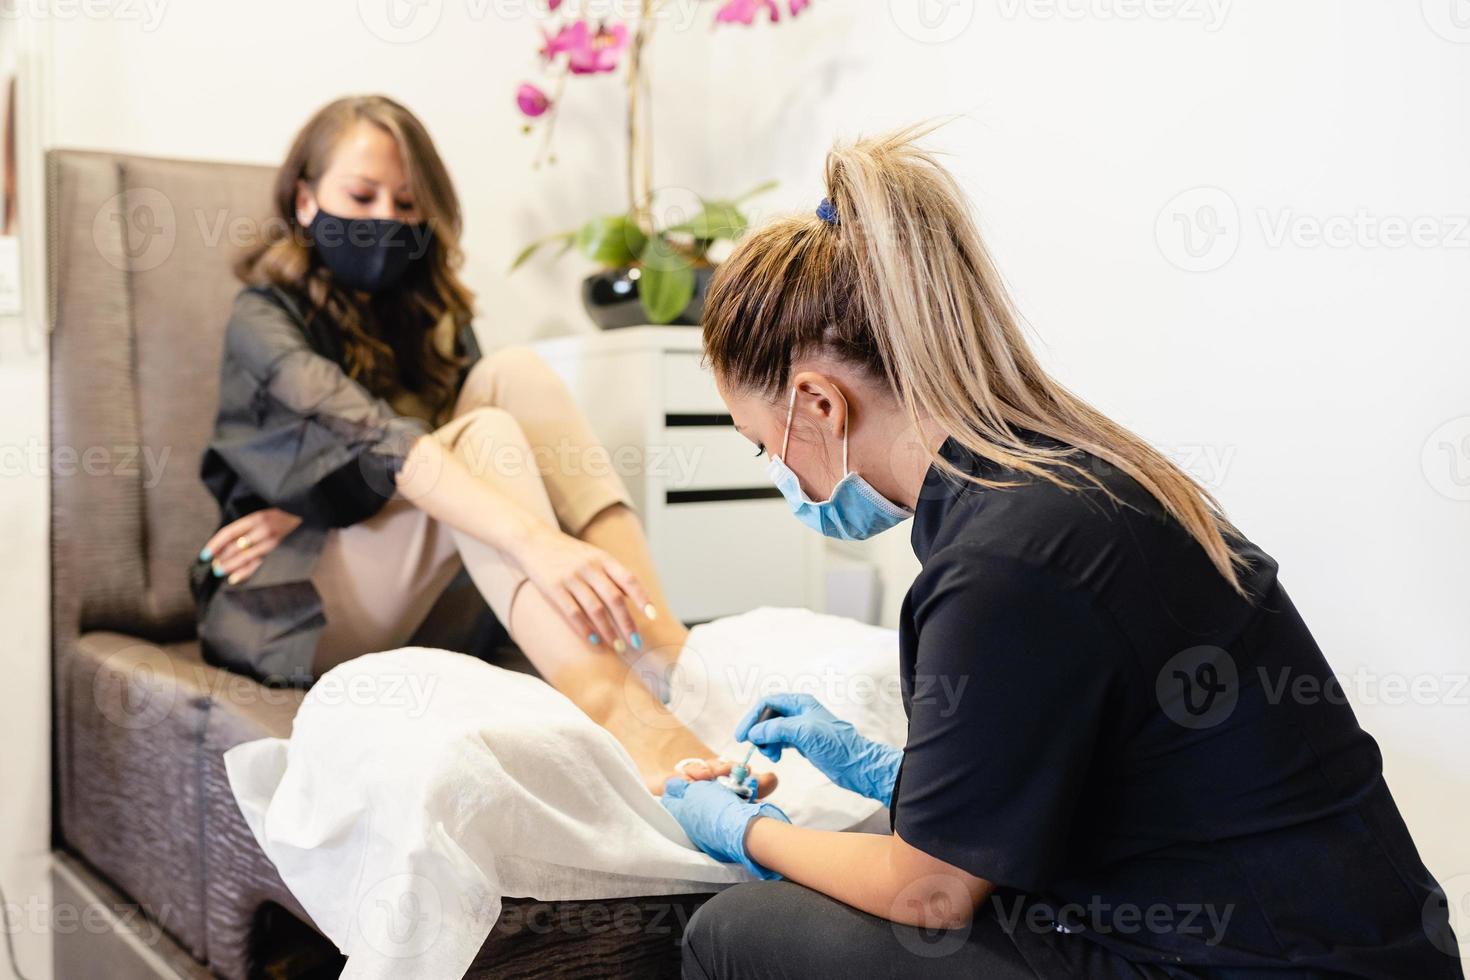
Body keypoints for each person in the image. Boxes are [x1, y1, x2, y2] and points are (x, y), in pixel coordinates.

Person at [659, 126, 1463, 978]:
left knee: (734, 931)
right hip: (1370, 951)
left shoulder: (1002, 566)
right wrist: (886, 772)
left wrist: (749, 830)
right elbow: (1093, 767)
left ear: (818, 403)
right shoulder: (1076, 487)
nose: (776, 472)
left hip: (1243, 965)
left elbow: (926, 893)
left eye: (762, 444)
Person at [191, 95, 770, 796]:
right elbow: (372, 439)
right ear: (307, 201)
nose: (386, 220)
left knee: (513, 375)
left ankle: (666, 654)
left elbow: (449, 453)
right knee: (480, 436)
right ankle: (620, 712)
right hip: (299, 592)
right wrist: (536, 541)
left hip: (427, 583)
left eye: (408, 204)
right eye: (362, 195)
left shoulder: (431, 310)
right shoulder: (263, 316)